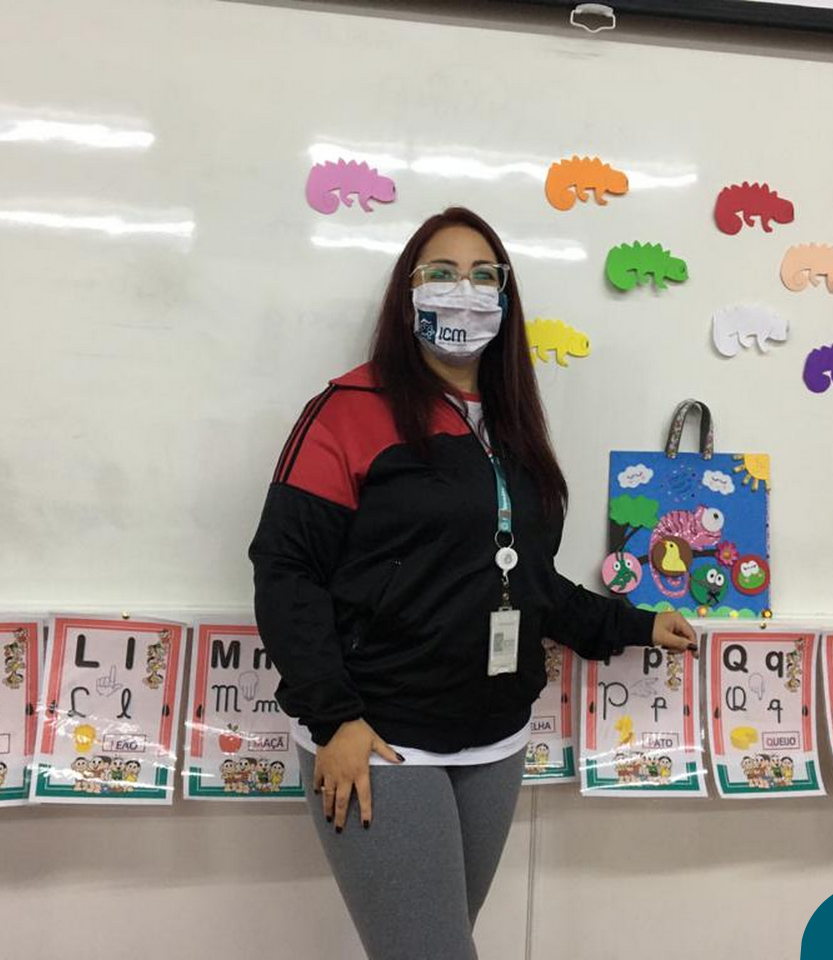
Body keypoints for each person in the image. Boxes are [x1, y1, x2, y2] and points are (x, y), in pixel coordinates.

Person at [249, 206, 697, 960]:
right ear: (408, 294)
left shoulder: (513, 424)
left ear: (505, 297)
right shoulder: (345, 412)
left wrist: (631, 623)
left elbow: (526, 580)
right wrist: (335, 719)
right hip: (381, 738)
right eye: (443, 274)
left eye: (484, 276)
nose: (465, 291)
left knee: (441, 941)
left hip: (495, 739)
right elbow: (285, 570)